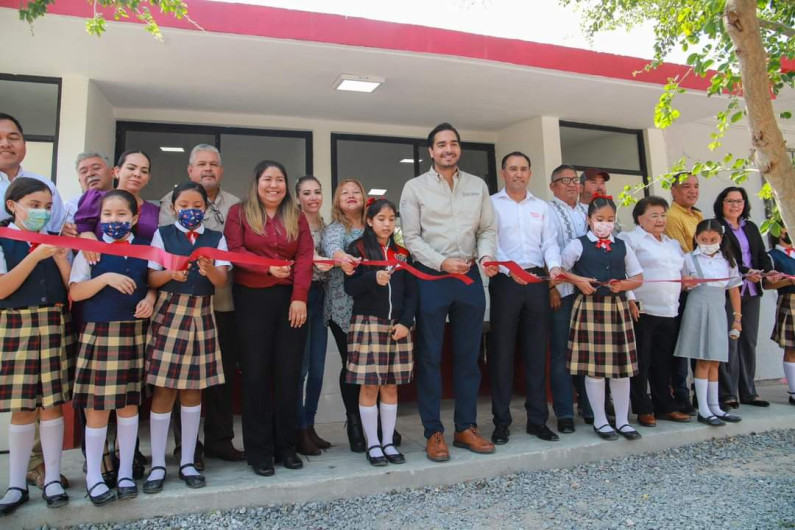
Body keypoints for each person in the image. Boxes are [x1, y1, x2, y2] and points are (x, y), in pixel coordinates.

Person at [400, 122, 498, 462]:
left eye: (453, 143)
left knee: (469, 356)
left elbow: (487, 228)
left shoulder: (477, 186)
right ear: (431, 151)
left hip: (469, 279)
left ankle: (465, 427)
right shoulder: (414, 188)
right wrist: (442, 263)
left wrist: (485, 256)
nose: (448, 149)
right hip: (431, 278)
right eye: (441, 144)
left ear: (459, 149)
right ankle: (433, 431)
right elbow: (410, 238)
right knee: (429, 356)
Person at [225, 160, 313, 477]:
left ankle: (285, 447)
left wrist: (300, 298)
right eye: (267, 179)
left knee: (288, 376)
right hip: (252, 300)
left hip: (290, 301)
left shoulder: (297, 215)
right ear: (256, 182)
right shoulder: (238, 213)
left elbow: (304, 257)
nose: (273, 185)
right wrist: (266, 267)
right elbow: (235, 251)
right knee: (256, 376)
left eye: (279, 179)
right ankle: (259, 451)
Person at [68, 190, 155, 505]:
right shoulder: (89, 250)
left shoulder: (146, 249)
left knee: (129, 406)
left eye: (121, 215)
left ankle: (125, 474)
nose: (114, 220)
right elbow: (76, 292)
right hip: (99, 332)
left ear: (133, 218)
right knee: (97, 409)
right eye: (107, 215)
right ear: (99, 218)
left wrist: (149, 300)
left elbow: (154, 284)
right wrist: (106, 278)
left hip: (132, 333)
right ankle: (93, 475)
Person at [158, 145, 243, 467]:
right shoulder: (171, 201)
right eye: (201, 164)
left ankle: (220, 440)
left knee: (220, 376)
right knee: (182, 378)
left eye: (214, 164)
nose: (208, 169)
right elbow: (165, 246)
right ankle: (186, 447)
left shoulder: (235, 205)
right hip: (182, 304)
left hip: (222, 302)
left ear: (221, 170)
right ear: (190, 170)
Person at [143, 182, 230, 493]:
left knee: (194, 391)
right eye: (185, 205)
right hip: (169, 313)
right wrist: (171, 274)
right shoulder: (163, 234)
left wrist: (208, 270)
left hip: (202, 314)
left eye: (198, 205)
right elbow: (151, 276)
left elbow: (221, 281)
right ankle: (157, 464)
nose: (191, 210)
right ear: (173, 207)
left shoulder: (216, 238)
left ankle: (188, 460)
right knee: (164, 390)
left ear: (206, 209)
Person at [0, 177, 72, 514]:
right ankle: (16, 483)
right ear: (13, 205)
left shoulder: (56, 240)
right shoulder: (3, 238)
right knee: (22, 405)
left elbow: (72, 285)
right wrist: (34, 255)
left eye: (47, 207)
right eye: (34, 205)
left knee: (53, 403)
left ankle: (53, 476)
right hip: (15, 323)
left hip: (54, 321)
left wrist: (57, 253)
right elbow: (2, 289)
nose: (42, 212)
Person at [489, 152, 562, 444]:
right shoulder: (492, 205)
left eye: (523, 169)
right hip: (505, 282)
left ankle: (537, 421)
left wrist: (554, 268)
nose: (518, 174)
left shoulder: (542, 207)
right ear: (503, 173)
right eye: (513, 169)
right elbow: (489, 242)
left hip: (536, 284)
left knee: (536, 353)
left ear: (530, 174)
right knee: (502, 354)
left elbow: (550, 244)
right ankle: (501, 422)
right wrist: (510, 269)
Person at [560, 194, 644, 441]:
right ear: (589, 220)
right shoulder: (577, 245)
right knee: (594, 369)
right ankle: (600, 420)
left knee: (622, 369)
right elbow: (560, 272)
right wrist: (579, 281)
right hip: (589, 308)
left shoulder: (622, 245)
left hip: (617, 308)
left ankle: (622, 421)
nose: (604, 224)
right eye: (599, 219)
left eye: (609, 219)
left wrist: (623, 286)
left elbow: (638, 277)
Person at [344, 198, 417, 466]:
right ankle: (372, 443)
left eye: (391, 219)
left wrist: (405, 322)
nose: (387, 224)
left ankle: (388, 441)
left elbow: (411, 292)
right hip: (368, 322)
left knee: (390, 385)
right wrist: (371, 279)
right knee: (370, 385)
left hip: (397, 325)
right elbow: (349, 288)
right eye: (381, 219)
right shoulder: (359, 249)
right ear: (370, 221)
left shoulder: (402, 253)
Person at [617, 197, 691, 427]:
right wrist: (630, 300)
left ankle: (664, 406)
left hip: (670, 309)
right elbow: (624, 273)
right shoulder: (630, 239)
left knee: (663, 361)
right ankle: (642, 409)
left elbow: (681, 272)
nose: (660, 220)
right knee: (642, 361)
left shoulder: (672, 243)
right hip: (643, 309)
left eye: (663, 215)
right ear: (640, 218)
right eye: (654, 215)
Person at [673, 219, 743, 426]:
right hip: (697, 309)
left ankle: (715, 406)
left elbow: (734, 289)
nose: (708, 243)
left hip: (718, 310)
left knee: (715, 359)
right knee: (703, 359)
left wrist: (737, 318)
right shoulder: (689, 259)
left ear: (721, 239)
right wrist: (686, 286)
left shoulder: (727, 261)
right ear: (696, 238)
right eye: (703, 239)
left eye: (713, 239)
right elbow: (679, 285)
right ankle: (703, 408)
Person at [715, 187, 773, 409]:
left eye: (739, 201)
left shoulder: (750, 226)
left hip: (752, 291)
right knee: (731, 341)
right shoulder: (718, 226)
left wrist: (766, 270)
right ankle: (728, 393)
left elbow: (761, 254)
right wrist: (746, 270)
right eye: (730, 201)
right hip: (730, 291)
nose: (735, 205)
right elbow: (723, 257)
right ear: (721, 203)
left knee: (748, 341)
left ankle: (749, 391)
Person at [322, 178, 368, 453]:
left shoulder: (375, 226)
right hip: (343, 306)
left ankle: (374, 421)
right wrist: (342, 257)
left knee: (373, 366)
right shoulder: (335, 228)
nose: (351, 196)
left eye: (356, 192)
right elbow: (333, 248)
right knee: (352, 365)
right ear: (338, 201)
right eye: (344, 193)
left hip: (373, 305)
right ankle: (353, 423)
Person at [547, 164, 592, 429]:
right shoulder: (547, 211)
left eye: (575, 180)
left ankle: (590, 407)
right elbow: (544, 248)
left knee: (589, 351)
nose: (573, 185)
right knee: (561, 353)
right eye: (565, 180)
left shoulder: (589, 212)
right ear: (553, 186)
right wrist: (550, 287)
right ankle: (564, 412)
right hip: (561, 292)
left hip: (591, 294)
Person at [294, 176, 333, 455]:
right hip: (301, 296)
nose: (312, 197)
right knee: (302, 368)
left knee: (318, 369)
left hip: (323, 295)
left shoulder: (327, 226)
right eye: (306, 193)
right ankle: (298, 429)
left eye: (317, 192)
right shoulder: (293, 224)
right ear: (297, 198)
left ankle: (310, 424)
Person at [76, 150, 160, 270]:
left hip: (142, 277)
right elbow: (81, 231)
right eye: (131, 168)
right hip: (99, 272)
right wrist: (86, 235)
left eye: (144, 171)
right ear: (117, 171)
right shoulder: (97, 199)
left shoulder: (155, 211)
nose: (137, 174)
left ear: (147, 178)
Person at [664, 173, 703, 414]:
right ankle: (680, 395)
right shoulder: (671, 216)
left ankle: (703, 394)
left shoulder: (697, 215)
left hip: (703, 289)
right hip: (683, 290)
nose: (692, 191)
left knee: (699, 344)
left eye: (696, 186)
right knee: (681, 345)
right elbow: (686, 255)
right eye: (686, 186)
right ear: (674, 191)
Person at [0, 113, 66, 234]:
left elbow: (58, 229)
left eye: (13, 138)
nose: (5, 144)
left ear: (24, 144)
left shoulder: (44, 184)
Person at [765, 228, 795, 405]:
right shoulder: (772, 256)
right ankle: (794, 391)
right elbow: (767, 285)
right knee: (792, 348)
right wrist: (790, 281)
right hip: (790, 299)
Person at [63, 153, 115, 235]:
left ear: (113, 173)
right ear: (80, 182)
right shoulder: (69, 207)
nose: (90, 174)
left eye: (96, 168)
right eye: (84, 171)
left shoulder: (126, 200)